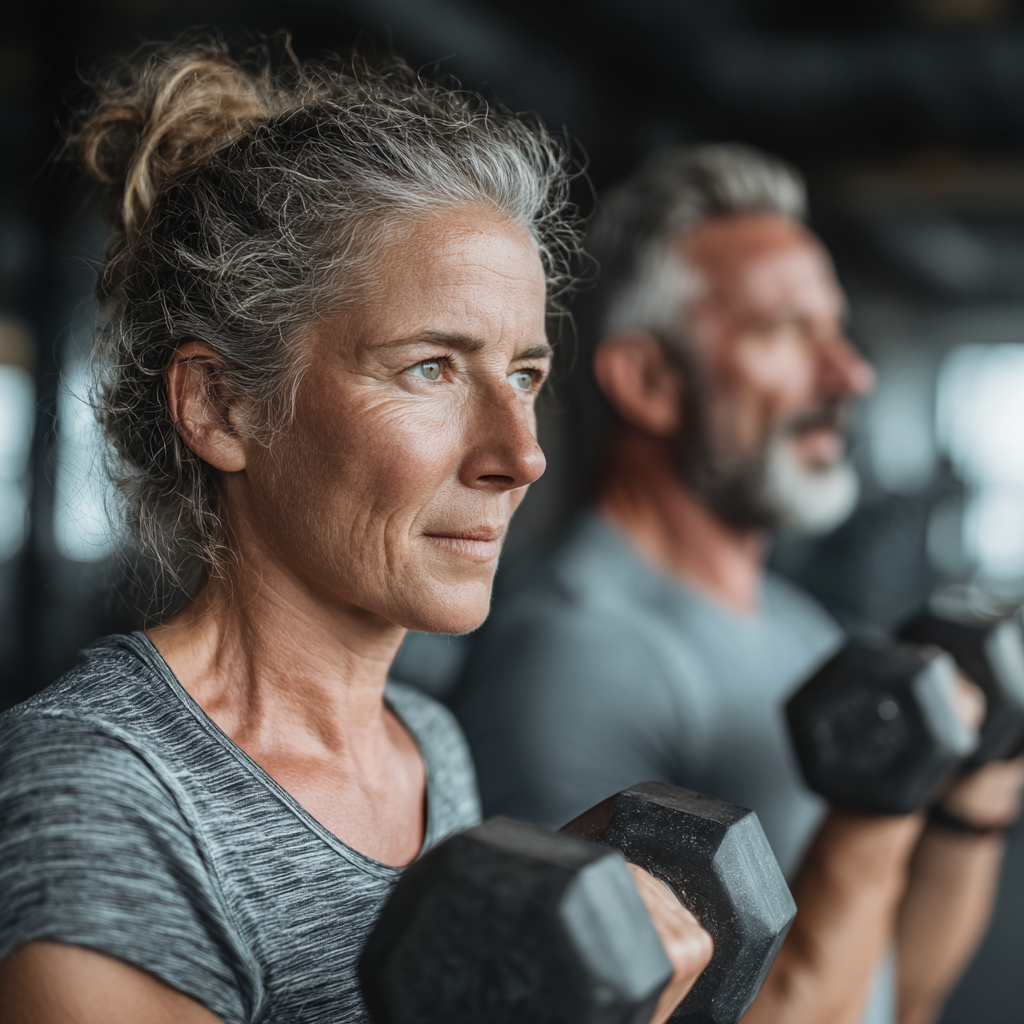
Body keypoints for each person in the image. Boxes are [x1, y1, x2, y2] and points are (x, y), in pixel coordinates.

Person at [0, 39, 711, 1024]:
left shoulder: (426, 745)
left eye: (525, 375)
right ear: (220, 407)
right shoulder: (106, 794)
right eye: (431, 367)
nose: (520, 452)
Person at [454, 145, 1024, 1024]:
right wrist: (876, 804)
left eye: (835, 331)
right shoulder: (575, 655)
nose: (849, 374)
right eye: (786, 331)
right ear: (648, 380)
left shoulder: (804, 629)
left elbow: (899, 993)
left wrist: (967, 801)